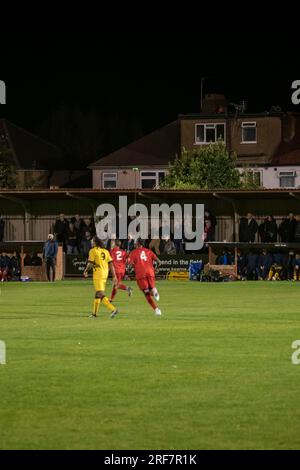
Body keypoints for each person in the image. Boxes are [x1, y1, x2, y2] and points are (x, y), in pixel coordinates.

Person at [83, 236, 118, 318]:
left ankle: (113, 309)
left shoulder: (93, 251)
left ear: (95, 242)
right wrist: (114, 276)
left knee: (99, 293)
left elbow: (90, 263)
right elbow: (111, 264)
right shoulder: (106, 251)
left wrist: (86, 270)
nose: (91, 243)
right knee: (97, 294)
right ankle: (94, 314)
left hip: (98, 274)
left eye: (92, 241)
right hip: (105, 274)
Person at [128, 238, 162, 316]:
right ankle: (154, 290)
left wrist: (129, 269)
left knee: (146, 293)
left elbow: (130, 265)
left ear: (138, 244)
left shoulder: (133, 252)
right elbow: (159, 262)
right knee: (151, 290)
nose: (135, 243)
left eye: (136, 242)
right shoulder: (148, 251)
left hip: (141, 274)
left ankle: (157, 310)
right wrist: (156, 268)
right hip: (150, 272)